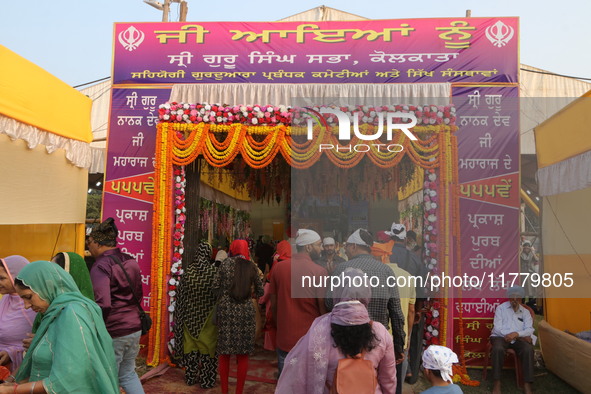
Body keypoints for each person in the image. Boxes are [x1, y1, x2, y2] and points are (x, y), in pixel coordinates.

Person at [276, 268, 397, 393]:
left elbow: (301, 371)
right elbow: (388, 379)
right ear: (367, 294)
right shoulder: (380, 331)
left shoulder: (321, 328)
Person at [7, 261, 119, 394]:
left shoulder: (72, 313)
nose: (26, 305)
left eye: (28, 297)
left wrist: (14, 390)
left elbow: (69, 379)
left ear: (47, 287)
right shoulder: (53, 313)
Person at [327, 228, 407, 366]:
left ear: (354, 246)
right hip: (378, 342)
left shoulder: (341, 269)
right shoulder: (386, 270)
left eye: (346, 246)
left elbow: (329, 303)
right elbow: (396, 313)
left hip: (346, 342)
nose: (344, 250)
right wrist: (398, 346)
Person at [87, 217, 145, 394]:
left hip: (114, 330)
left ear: (97, 242)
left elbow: (103, 304)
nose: (88, 247)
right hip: (134, 327)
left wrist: (97, 329)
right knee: (128, 374)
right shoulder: (130, 259)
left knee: (107, 377)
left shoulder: (101, 266)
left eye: (89, 242)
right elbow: (139, 295)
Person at [270, 229, 328, 376]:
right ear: (308, 247)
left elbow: (274, 304)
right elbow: (322, 308)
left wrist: (280, 325)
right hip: (309, 339)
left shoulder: (278, 268)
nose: (321, 248)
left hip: (285, 337)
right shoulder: (319, 271)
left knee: (286, 383)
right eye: (319, 244)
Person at [214, 239, 264, 394]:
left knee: (224, 354)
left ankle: (224, 391)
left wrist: (224, 295)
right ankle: (239, 391)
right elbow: (261, 291)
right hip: (245, 313)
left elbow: (214, 287)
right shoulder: (252, 267)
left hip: (227, 312)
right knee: (242, 355)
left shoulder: (225, 264)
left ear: (233, 249)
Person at [173, 242, 218, 387]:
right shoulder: (213, 273)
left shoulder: (188, 273)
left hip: (190, 317)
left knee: (190, 348)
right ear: (209, 254)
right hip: (208, 319)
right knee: (207, 351)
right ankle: (206, 381)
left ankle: (191, 377)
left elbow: (180, 298)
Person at [29, 252, 94, 334]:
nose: (48, 277)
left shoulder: (80, 310)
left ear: (69, 274)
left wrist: (40, 341)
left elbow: (75, 342)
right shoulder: (50, 304)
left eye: (53, 272)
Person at [490, 286, 534, 394]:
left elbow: (529, 329)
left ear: (521, 299)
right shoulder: (501, 308)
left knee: (528, 349)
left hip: (518, 338)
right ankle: (497, 383)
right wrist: (509, 335)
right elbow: (497, 328)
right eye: (512, 297)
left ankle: (527, 384)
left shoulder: (525, 312)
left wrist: (517, 334)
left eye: (517, 297)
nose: (514, 300)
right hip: (500, 337)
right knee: (498, 349)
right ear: (508, 298)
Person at [0, 256, 36, 373]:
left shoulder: (34, 305)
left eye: (2, 278)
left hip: (20, 371)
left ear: (15, 277)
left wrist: (11, 353)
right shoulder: (6, 299)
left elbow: (40, 342)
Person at [259, 240, 292, 352]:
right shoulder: (295, 262)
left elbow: (270, 282)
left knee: (273, 322)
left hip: (275, 298)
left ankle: (273, 347)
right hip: (289, 299)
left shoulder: (277, 262)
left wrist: (262, 299)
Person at [519, 240, 540, 311]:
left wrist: (533, 252)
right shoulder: (521, 253)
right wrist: (521, 250)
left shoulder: (532, 254)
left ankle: (530, 305)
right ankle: (522, 304)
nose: (526, 249)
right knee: (523, 290)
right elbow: (516, 258)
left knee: (531, 290)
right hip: (522, 274)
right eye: (525, 247)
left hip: (531, 274)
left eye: (528, 248)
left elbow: (537, 259)